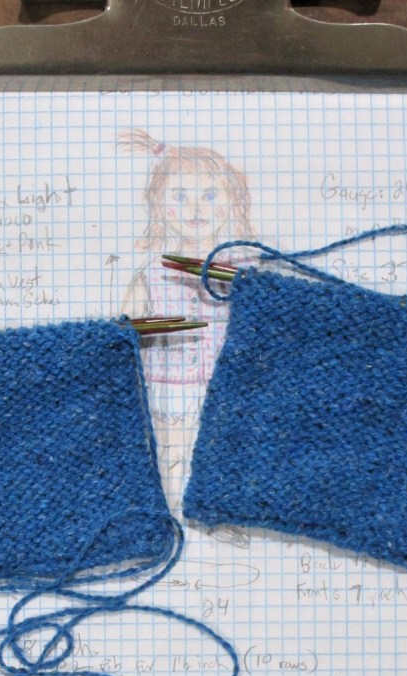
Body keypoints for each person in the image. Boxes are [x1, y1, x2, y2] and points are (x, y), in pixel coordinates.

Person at [117, 130, 255, 511]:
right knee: (170, 457)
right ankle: (168, 517)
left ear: (231, 201)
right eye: (179, 196)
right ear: (158, 205)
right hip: (169, 387)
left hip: (227, 385)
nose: (196, 208)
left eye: (209, 195)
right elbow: (122, 335)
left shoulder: (247, 272)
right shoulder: (152, 274)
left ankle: (222, 517)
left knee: (227, 453)